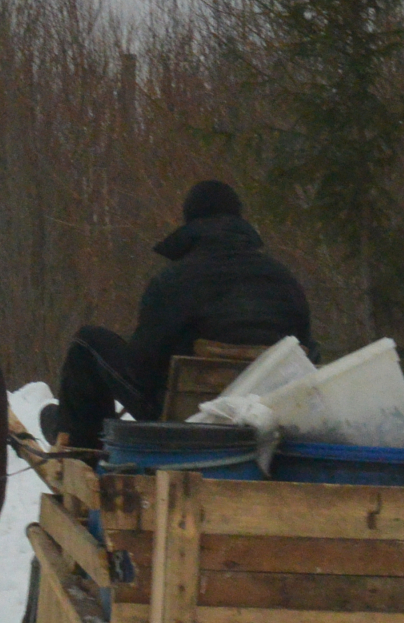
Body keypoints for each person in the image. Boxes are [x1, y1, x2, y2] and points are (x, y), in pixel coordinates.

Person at [41, 179, 316, 449]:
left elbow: (141, 367)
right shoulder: (285, 281)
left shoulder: (175, 280)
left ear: (191, 224)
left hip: (185, 421)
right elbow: (309, 358)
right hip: (265, 419)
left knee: (87, 343)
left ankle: (82, 443)